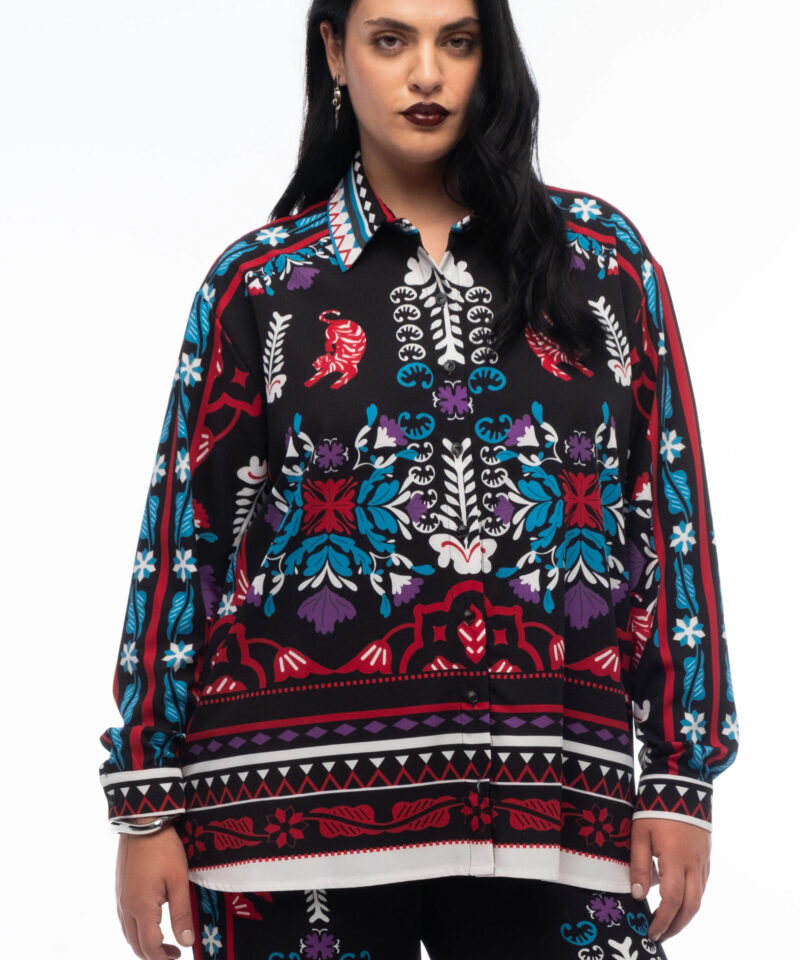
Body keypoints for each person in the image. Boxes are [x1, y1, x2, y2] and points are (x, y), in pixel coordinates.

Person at [99, 1, 739, 958]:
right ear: (336, 52)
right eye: (391, 39)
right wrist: (147, 801)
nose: (427, 74)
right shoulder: (261, 285)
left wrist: (683, 777)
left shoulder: (601, 265)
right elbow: (184, 544)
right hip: (289, 820)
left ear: (492, 55)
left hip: (559, 812)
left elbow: (669, 516)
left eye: (459, 41)